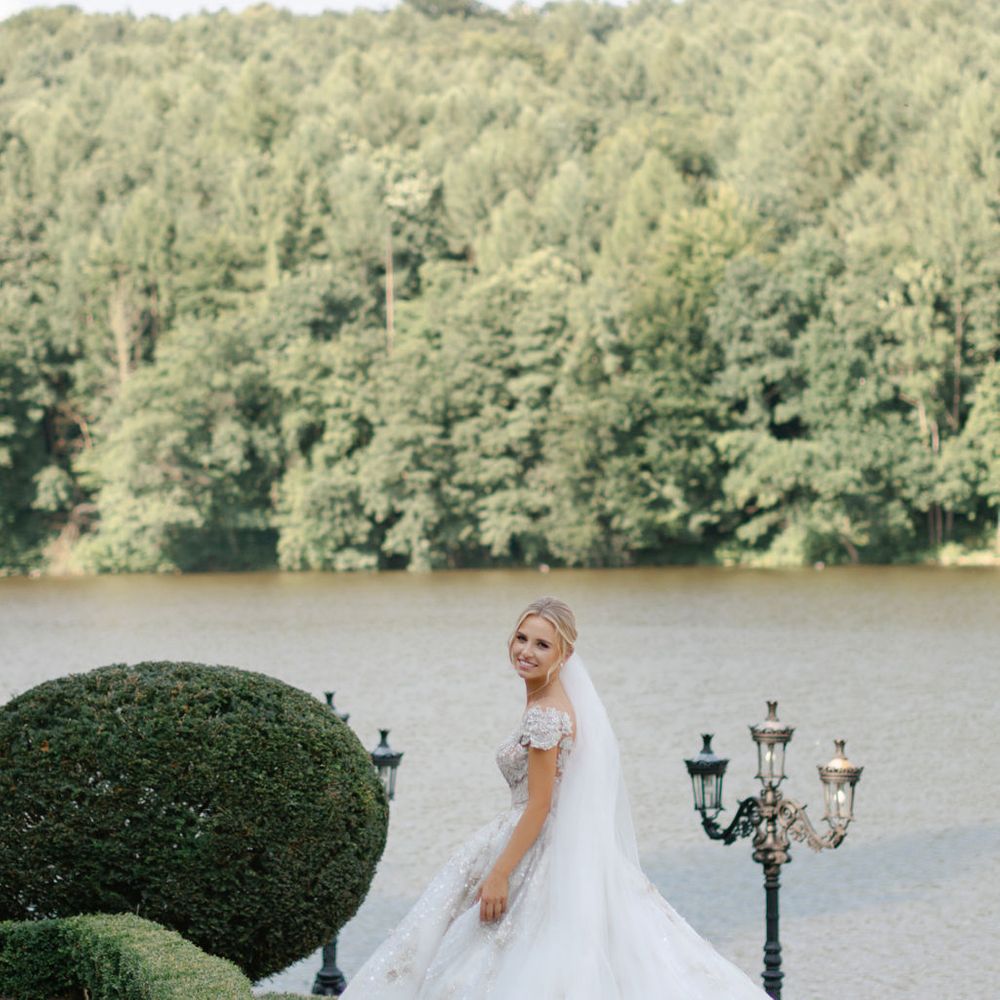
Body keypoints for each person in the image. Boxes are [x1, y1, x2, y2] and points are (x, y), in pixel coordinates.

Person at [340, 596, 770, 998]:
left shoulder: (546, 714)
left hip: (534, 842)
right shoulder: (553, 701)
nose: (526, 651)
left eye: (542, 645)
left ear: (564, 655)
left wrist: (500, 873)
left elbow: (541, 804)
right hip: (543, 837)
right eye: (521, 638)